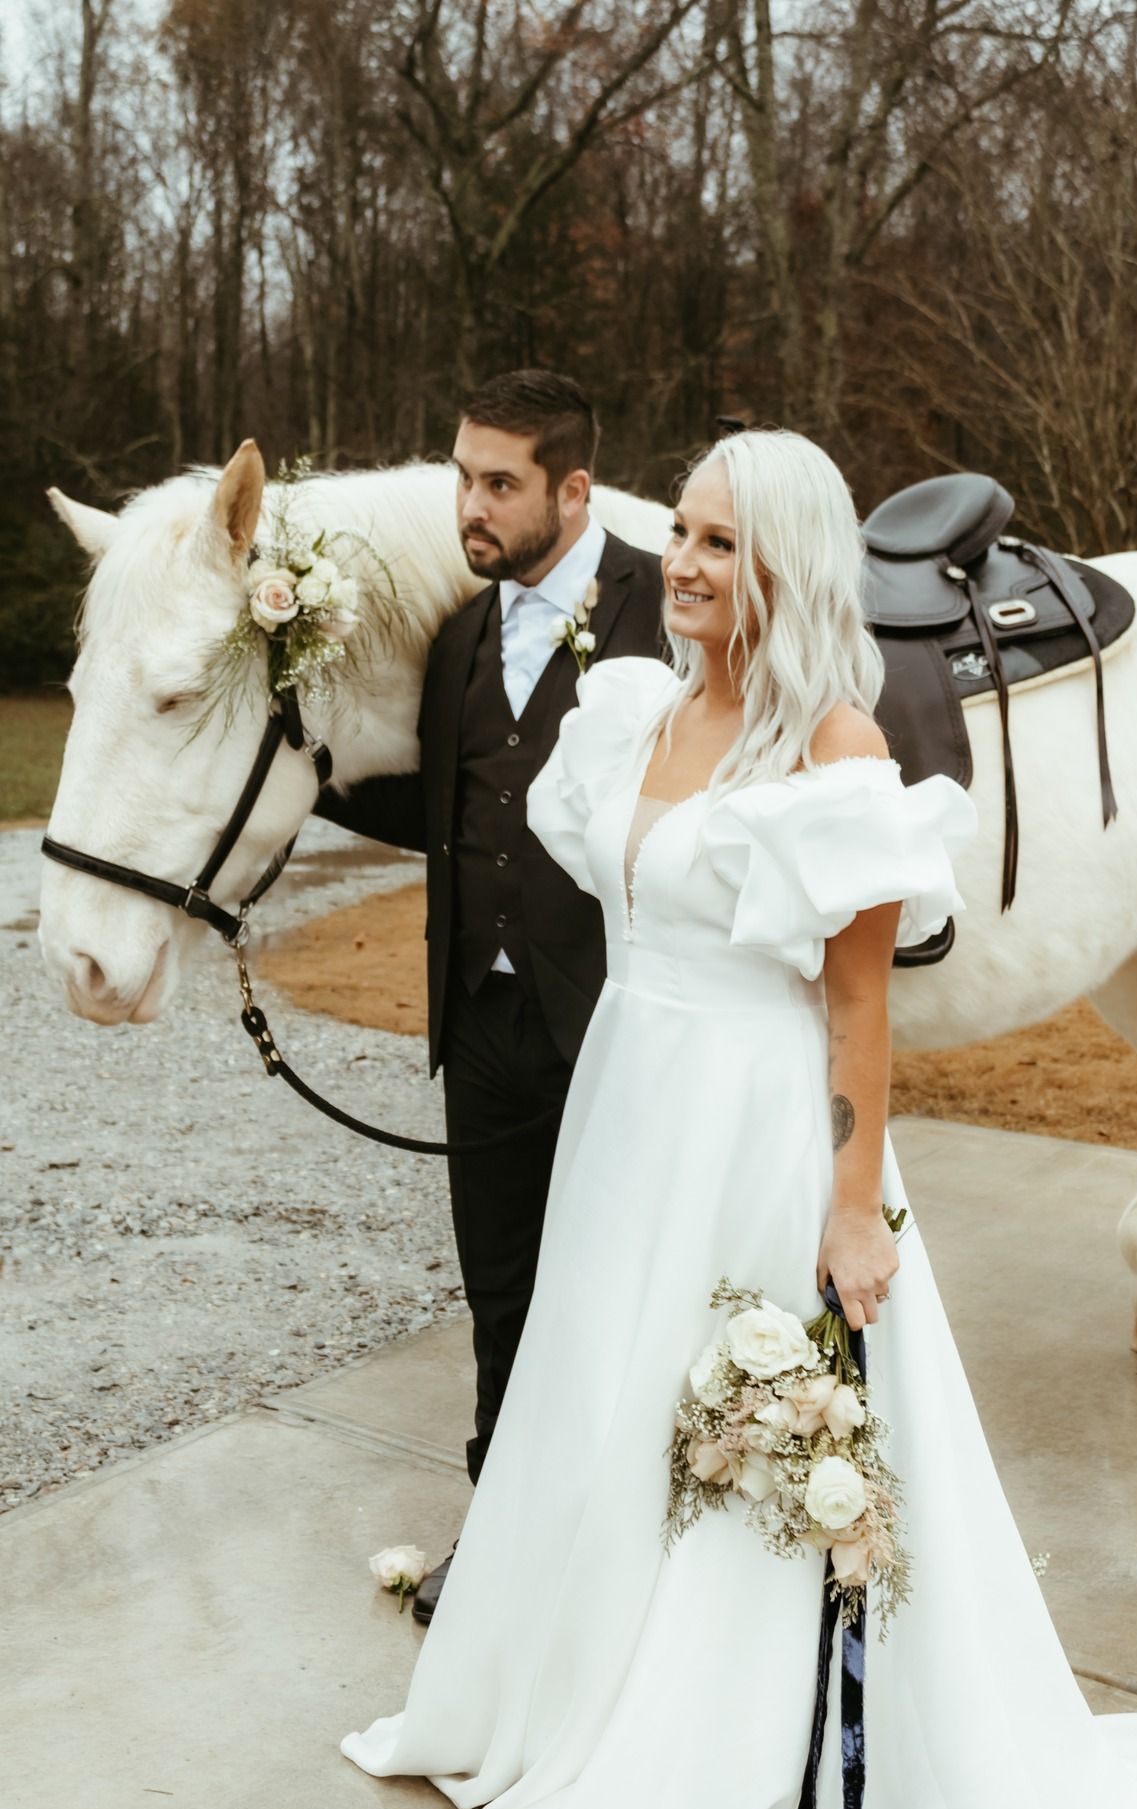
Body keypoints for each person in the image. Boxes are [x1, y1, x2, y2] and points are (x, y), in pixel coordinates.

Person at [341, 430, 1137, 1809]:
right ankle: (557, 1695)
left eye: (721, 543)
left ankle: (724, 1756)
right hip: (636, 1125)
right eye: (685, 535)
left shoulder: (838, 749)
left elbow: (860, 1007)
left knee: (739, 1454)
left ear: (783, 561)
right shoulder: (640, 708)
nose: (688, 565)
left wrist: (854, 1208)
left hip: (763, 1143)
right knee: (604, 1417)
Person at [319, 371, 665, 1621]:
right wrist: (302, 777)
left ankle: (629, 1554)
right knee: (503, 1293)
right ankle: (506, 1544)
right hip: (484, 1022)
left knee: (626, 1289)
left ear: (575, 489)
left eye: (500, 482)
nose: (472, 503)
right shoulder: (462, 634)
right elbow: (453, 810)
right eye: (463, 476)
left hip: (620, 1024)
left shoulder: (660, 608)